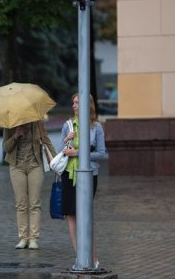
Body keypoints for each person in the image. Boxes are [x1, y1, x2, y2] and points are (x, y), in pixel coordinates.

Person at [59, 93, 106, 267]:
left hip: (88, 175)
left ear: (87, 105)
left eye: (78, 102)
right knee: (71, 215)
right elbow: (61, 151)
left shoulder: (96, 127)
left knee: (85, 216)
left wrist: (78, 152)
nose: (74, 105)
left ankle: (93, 259)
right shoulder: (68, 125)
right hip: (69, 175)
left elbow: (101, 153)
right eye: (73, 102)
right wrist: (66, 141)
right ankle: (80, 257)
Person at [2, 119, 56, 249]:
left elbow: (46, 140)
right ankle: (23, 238)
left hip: (35, 165)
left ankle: (33, 239)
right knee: (21, 204)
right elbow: (6, 147)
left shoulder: (38, 121)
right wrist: (16, 135)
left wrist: (56, 160)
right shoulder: (9, 124)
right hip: (17, 166)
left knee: (34, 203)